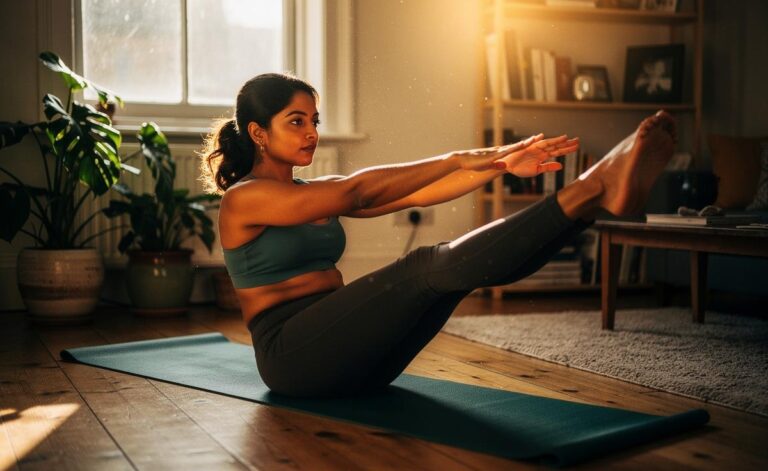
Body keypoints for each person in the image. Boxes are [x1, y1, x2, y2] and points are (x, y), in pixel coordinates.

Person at [201, 73, 675, 398]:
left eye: (314, 122)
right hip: (292, 357)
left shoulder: (312, 191)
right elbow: (358, 191)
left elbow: (420, 194)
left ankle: (590, 205)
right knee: (425, 266)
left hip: (355, 360)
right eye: (296, 122)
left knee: (451, 276)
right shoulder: (244, 199)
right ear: (259, 133)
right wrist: (458, 155)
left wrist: (502, 163)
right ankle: (590, 188)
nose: (311, 133)